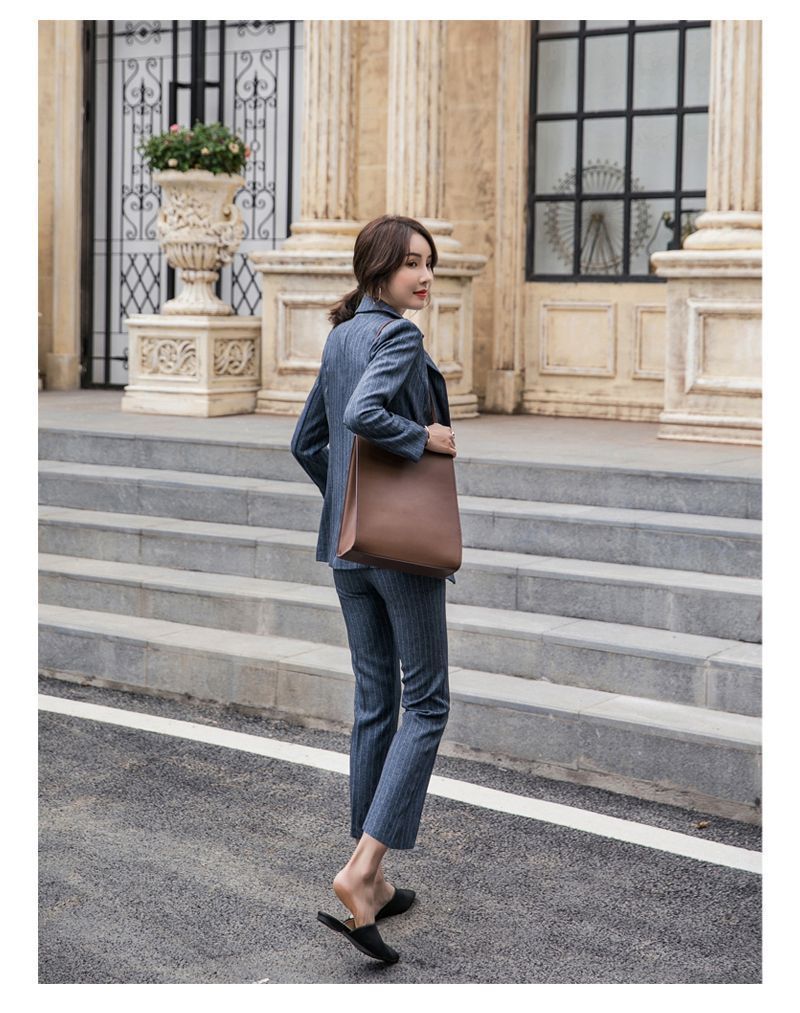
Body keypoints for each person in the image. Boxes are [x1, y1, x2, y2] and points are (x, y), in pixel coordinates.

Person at [290, 214, 458, 964]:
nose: (425, 276)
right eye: (411, 263)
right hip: (397, 550)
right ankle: (361, 873)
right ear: (378, 269)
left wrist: (347, 504)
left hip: (347, 548)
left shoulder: (341, 336)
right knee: (427, 702)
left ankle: (376, 876)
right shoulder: (397, 337)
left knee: (374, 703)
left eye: (429, 262)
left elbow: (307, 442)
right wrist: (424, 437)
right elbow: (364, 415)